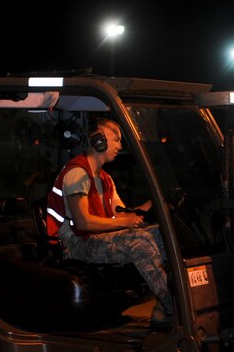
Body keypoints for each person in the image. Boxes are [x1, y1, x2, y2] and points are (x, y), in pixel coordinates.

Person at [45, 117, 173, 321]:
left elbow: (121, 214)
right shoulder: (77, 174)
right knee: (139, 242)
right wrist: (126, 222)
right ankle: (172, 306)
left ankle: (162, 308)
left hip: (96, 239)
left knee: (163, 234)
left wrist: (156, 203)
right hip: (76, 244)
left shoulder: (104, 178)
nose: (120, 146)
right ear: (99, 140)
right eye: (117, 140)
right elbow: (83, 222)